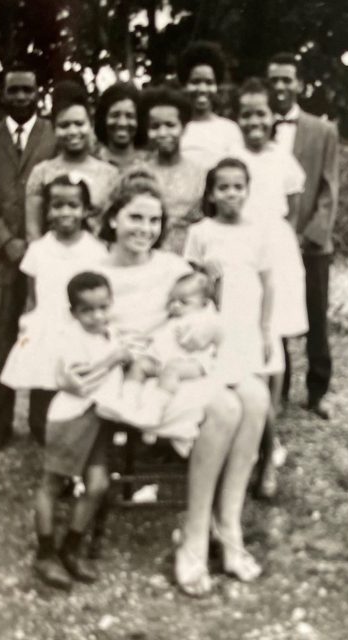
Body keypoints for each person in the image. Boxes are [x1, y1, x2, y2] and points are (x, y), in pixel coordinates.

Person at [97, 180, 269, 596]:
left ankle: (227, 524)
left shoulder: (173, 268)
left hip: (182, 364)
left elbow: (208, 311)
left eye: (155, 219)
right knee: (225, 407)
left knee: (257, 396)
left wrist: (209, 323)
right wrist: (125, 350)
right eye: (135, 217)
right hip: (131, 380)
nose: (145, 228)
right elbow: (80, 333)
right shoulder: (96, 273)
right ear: (113, 218)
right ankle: (193, 536)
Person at [0, 65, 56, 451]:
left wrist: (42, 245)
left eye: (28, 90)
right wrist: (7, 243)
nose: (21, 97)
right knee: (1, 341)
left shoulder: (53, 136)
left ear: (38, 93)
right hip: (2, 260)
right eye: (14, 91)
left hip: (47, 259)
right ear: (3, 95)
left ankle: (41, 421)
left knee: (44, 337)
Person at [233, 78, 309, 496]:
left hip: (275, 254)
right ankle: (256, 435)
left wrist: (281, 243)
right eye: (246, 114)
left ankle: (270, 431)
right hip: (242, 251)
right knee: (245, 337)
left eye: (260, 113)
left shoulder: (283, 159)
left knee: (273, 342)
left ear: (272, 117)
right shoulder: (231, 158)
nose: (254, 121)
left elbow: (293, 208)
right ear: (237, 118)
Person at [33, 271, 130, 590]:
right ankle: (45, 554)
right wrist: (114, 358)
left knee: (98, 484)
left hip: (99, 418)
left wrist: (124, 357)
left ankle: (70, 549)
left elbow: (122, 359)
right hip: (71, 417)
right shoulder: (71, 338)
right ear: (73, 312)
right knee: (51, 483)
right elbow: (80, 381)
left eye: (103, 307)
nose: (97, 315)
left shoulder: (109, 333)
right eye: (87, 310)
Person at [0, 175, 108, 434]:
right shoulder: (38, 250)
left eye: (73, 205)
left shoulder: (96, 250)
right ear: (47, 211)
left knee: (77, 375)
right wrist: (29, 325)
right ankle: (39, 425)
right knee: (44, 374)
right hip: (46, 322)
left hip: (79, 324)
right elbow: (31, 296)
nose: (65, 212)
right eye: (57, 205)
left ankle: (75, 423)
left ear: (85, 210)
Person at [267, 52, 339, 420]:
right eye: (273, 80)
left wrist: (307, 235)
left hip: (311, 244)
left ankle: (317, 392)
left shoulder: (322, 130)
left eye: (286, 80)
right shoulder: (257, 126)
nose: (279, 86)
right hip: (268, 242)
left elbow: (328, 189)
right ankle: (277, 389)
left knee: (315, 317)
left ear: (299, 85)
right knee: (271, 314)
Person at [183, 157, 276, 386]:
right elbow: (190, 282)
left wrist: (264, 329)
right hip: (217, 317)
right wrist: (206, 276)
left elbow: (268, 284)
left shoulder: (258, 232)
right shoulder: (200, 231)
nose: (232, 193)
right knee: (220, 379)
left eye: (238, 187)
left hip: (249, 318)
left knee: (254, 380)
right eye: (223, 188)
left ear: (247, 191)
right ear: (212, 195)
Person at [95, 271, 221, 437]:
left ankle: (154, 412)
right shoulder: (175, 318)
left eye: (184, 302)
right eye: (172, 300)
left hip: (193, 364)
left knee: (171, 370)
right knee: (140, 365)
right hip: (165, 360)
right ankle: (127, 404)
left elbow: (212, 333)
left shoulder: (203, 317)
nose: (175, 305)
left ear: (204, 303)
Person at [25, 80, 118, 240]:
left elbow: (115, 228)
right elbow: (33, 231)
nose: (73, 131)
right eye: (64, 125)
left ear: (90, 125)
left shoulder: (110, 174)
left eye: (79, 124)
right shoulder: (41, 173)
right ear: (54, 129)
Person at [139, 86, 207, 254]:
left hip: (190, 255)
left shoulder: (201, 174)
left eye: (170, 125)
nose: (163, 133)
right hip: (148, 254)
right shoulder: (139, 173)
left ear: (183, 128)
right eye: (155, 126)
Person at [177, 41, 243, 169]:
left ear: (216, 86)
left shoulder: (229, 130)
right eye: (195, 82)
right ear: (185, 85)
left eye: (209, 82)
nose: (202, 89)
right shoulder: (175, 128)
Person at [94, 81, 147, 170]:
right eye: (115, 115)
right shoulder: (94, 161)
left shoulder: (149, 162)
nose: (122, 123)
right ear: (103, 119)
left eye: (130, 116)